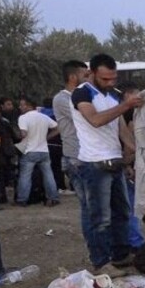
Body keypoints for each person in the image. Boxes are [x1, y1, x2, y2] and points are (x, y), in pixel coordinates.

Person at [72, 54, 145, 271]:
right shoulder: (82, 93)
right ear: (92, 73)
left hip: (115, 161)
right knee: (100, 218)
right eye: (105, 79)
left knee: (122, 212)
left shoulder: (113, 95)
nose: (110, 83)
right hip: (94, 163)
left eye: (113, 78)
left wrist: (136, 153)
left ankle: (120, 254)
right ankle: (101, 261)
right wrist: (126, 105)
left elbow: (120, 129)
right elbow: (95, 120)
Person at [53, 60, 89, 200]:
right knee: (88, 200)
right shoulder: (62, 99)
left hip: (86, 153)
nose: (88, 79)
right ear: (73, 77)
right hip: (75, 154)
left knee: (92, 202)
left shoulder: (85, 96)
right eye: (85, 76)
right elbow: (89, 117)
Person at [14, 97, 60, 206]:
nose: (20, 107)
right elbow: (57, 128)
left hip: (30, 150)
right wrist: (46, 138)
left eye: (22, 105)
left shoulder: (23, 118)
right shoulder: (44, 117)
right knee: (48, 175)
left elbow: (24, 133)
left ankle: (22, 199)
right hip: (44, 150)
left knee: (25, 176)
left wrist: (17, 137)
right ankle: (53, 197)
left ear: (29, 106)